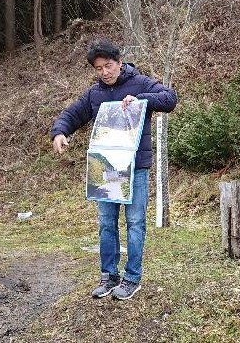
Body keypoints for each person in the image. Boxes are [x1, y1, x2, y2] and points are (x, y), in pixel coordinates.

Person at [50, 40, 177, 300]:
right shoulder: (95, 93)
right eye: (98, 68)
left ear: (120, 62)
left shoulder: (140, 83)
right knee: (106, 224)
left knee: (135, 223)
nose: (104, 72)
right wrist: (60, 132)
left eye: (108, 66)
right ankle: (109, 276)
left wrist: (141, 99)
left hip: (135, 167)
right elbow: (72, 114)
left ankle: (132, 278)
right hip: (105, 166)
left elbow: (169, 98)